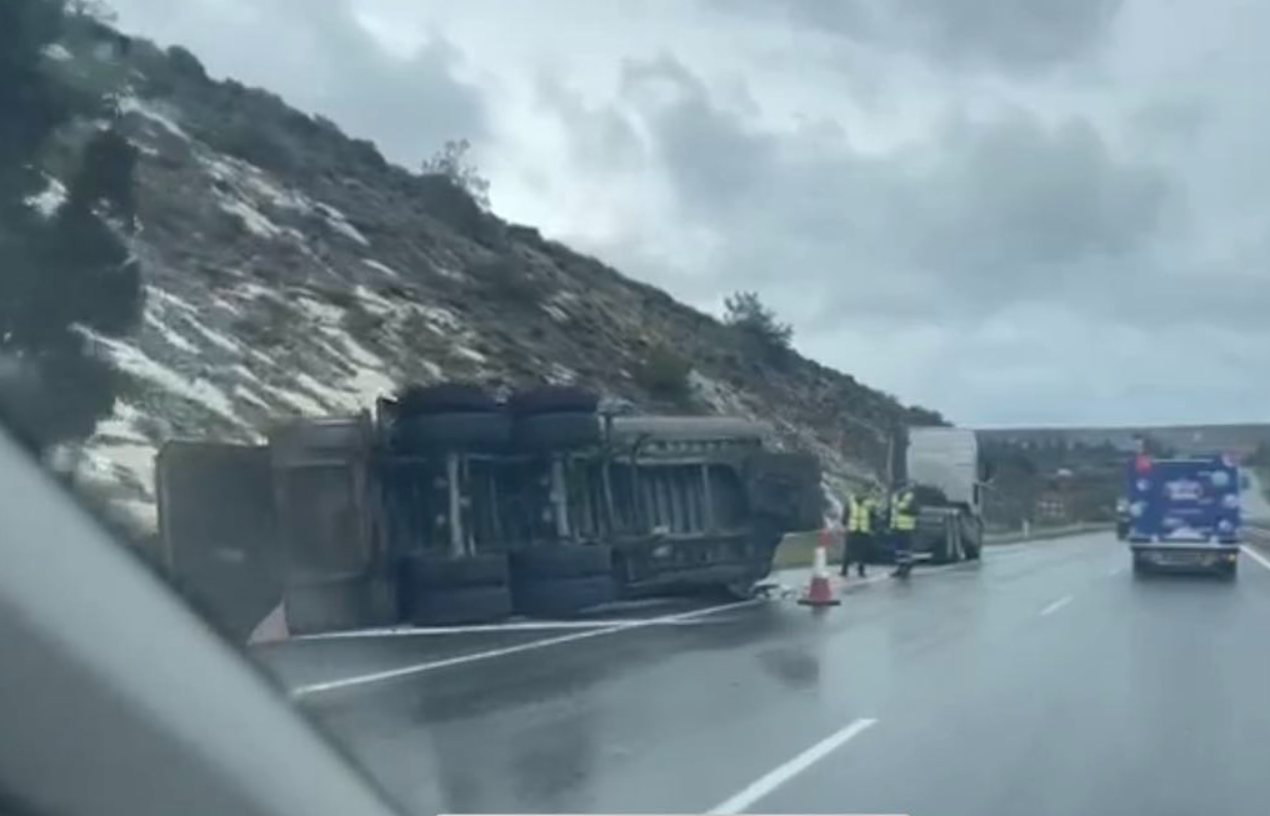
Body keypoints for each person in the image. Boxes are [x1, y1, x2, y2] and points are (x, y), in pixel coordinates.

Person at [840, 491, 874, 578]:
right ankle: (848, 570)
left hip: (859, 530)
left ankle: (852, 570)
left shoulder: (867, 504)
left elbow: (872, 516)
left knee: (856, 551)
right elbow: (873, 517)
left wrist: (845, 523)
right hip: (856, 529)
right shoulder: (865, 503)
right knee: (853, 551)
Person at [890, 482, 918, 578]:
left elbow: (915, 511)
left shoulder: (910, 497)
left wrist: (904, 510)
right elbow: (892, 511)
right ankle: (900, 567)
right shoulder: (894, 497)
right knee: (899, 549)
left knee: (905, 549)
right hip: (897, 526)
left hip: (907, 527)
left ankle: (906, 567)